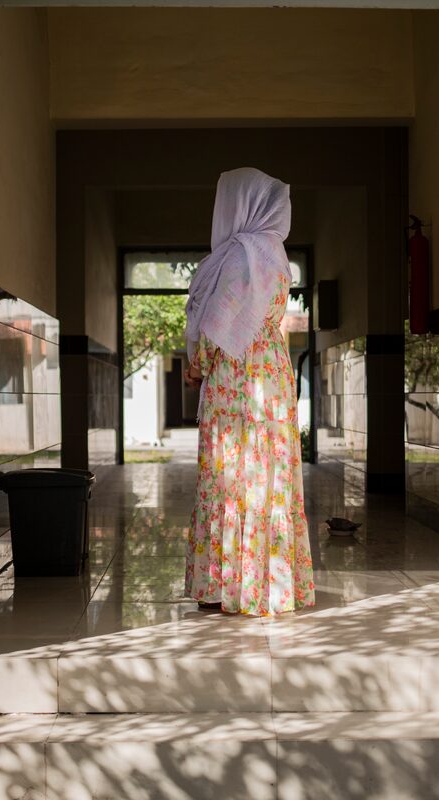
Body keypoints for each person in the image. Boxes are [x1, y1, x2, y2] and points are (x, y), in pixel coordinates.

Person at [182, 167, 316, 616]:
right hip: (270, 374)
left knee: (230, 475)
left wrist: (196, 367)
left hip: (237, 375)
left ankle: (225, 586)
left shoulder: (241, 255)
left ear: (239, 204)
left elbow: (218, 324)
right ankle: (268, 585)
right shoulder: (275, 255)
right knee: (266, 475)